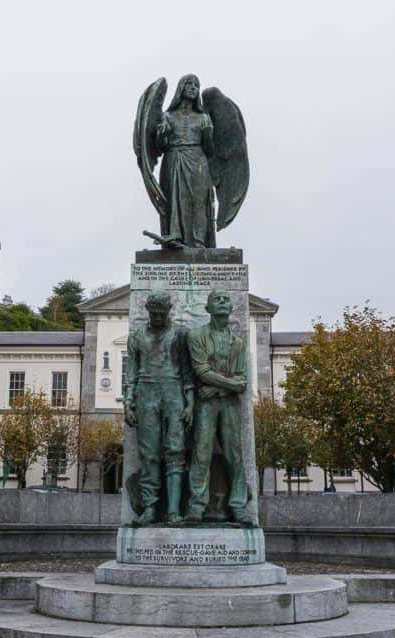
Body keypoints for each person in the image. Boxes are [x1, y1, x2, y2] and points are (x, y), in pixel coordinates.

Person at [124, 291, 193, 525]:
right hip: (146, 392)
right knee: (149, 454)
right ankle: (150, 507)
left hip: (174, 391)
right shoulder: (136, 337)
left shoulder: (180, 335)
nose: (158, 317)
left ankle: (173, 510)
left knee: (176, 451)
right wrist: (128, 403)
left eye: (162, 313)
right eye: (154, 313)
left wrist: (190, 402)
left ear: (169, 312)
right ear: (148, 312)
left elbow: (187, 372)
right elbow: (131, 373)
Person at [185, 289, 251, 524]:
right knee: (201, 453)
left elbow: (242, 382)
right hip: (206, 406)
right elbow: (201, 370)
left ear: (231, 308)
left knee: (235, 455)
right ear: (208, 308)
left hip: (228, 404)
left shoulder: (238, 343)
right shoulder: (196, 336)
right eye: (217, 300)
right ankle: (197, 505)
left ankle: (238, 505)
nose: (222, 302)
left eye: (226, 300)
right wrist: (229, 384)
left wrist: (217, 388)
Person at [155, 74, 216, 248]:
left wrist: (207, 134)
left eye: (196, 85)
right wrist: (162, 135)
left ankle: (199, 241)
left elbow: (210, 150)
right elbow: (160, 147)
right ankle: (175, 237)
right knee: (174, 198)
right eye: (189, 84)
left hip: (198, 161)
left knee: (199, 200)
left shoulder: (203, 118)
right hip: (174, 159)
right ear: (181, 87)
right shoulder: (168, 116)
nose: (193, 87)